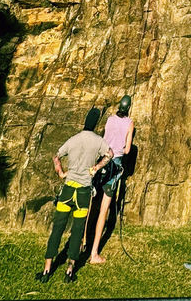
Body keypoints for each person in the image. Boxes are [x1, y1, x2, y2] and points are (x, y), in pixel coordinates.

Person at [37, 108, 113, 284]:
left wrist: (61, 172)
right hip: (83, 192)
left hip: (68, 190)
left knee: (57, 228)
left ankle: (47, 269)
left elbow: (56, 156)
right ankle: (70, 271)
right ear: (96, 123)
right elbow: (110, 154)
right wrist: (96, 167)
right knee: (77, 231)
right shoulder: (98, 141)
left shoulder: (73, 139)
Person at [89, 95, 135, 265]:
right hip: (114, 165)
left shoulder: (109, 119)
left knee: (91, 203)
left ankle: (82, 243)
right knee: (104, 210)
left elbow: (104, 139)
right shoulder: (130, 123)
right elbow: (128, 149)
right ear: (128, 107)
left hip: (102, 161)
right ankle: (94, 253)